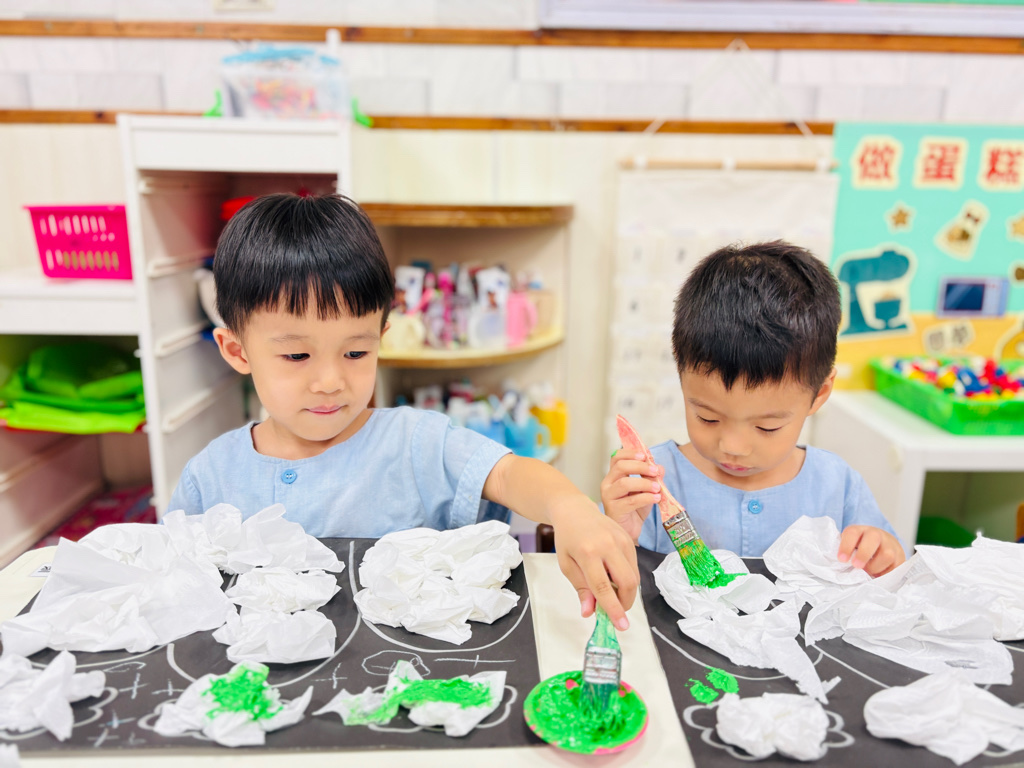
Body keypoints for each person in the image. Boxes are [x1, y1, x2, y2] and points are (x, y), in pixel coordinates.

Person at [169, 193, 638, 627]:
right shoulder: (210, 478)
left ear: (381, 338)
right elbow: (175, 584)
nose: (330, 381)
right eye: (297, 355)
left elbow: (509, 473)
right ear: (237, 351)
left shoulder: (416, 442)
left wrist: (569, 507)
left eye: (356, 353)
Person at [601, 240, 905, 577]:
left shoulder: (836, 485)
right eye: (708, 418)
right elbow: (602, 583)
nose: (733, 447)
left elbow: (892, 572)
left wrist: (883, 555)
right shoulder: (652, 482)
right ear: (682, 374)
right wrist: (618, 534)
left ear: (819, 393)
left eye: (766, 427)